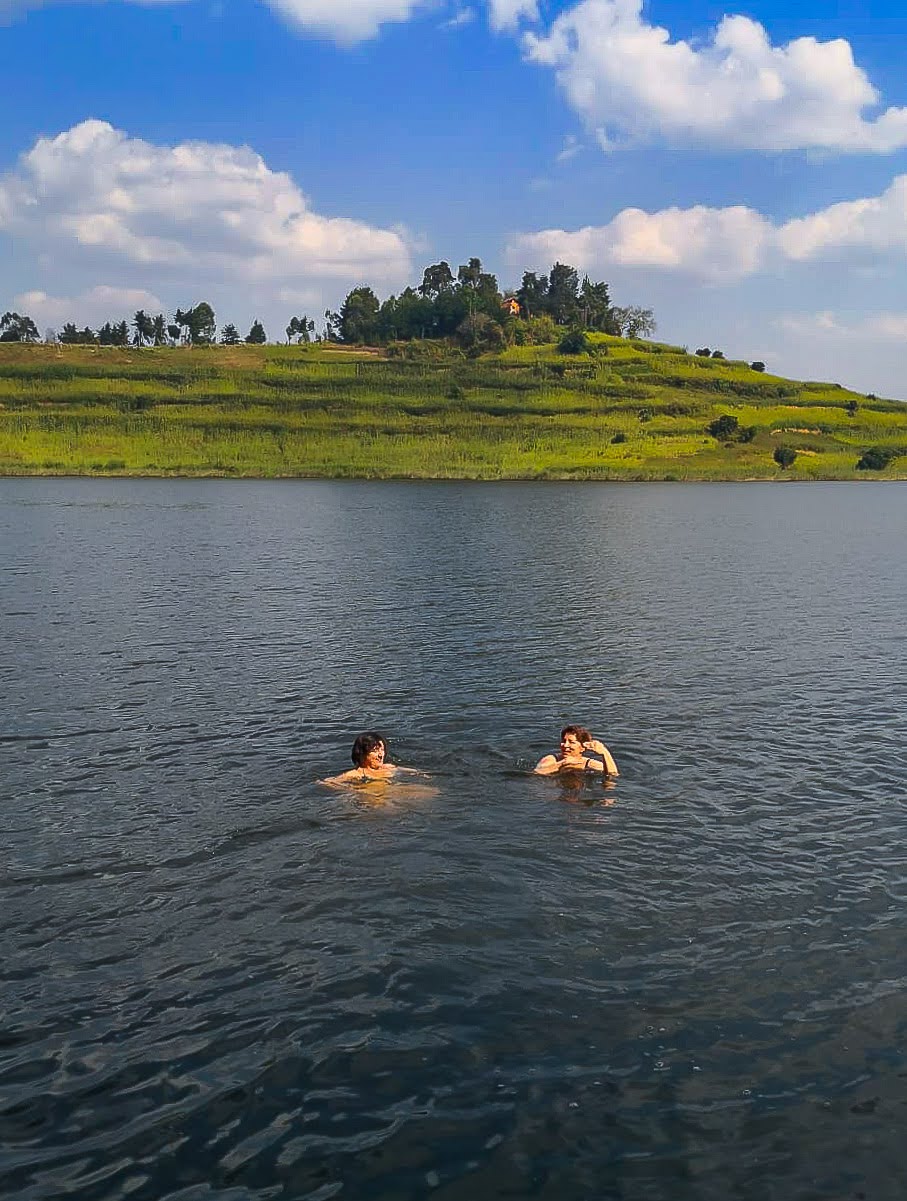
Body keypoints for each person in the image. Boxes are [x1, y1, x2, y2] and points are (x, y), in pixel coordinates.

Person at [320, 731, 426, 788]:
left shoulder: (389, 767)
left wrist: (422, 774)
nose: (381, 755)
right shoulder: (356, 774)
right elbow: (326, 782)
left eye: (382, 750)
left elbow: (412, 772)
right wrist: (354, 790)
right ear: (362, 754)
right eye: (375, 751)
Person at [533, 725, 619, 777]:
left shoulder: (588, 763)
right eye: (563, 741)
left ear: (583, 747)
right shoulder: (552, 759)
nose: (565, 745)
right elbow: (537, 773)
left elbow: (613, 774)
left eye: (571, 742)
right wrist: (562, 764)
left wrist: (604, 753)